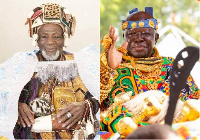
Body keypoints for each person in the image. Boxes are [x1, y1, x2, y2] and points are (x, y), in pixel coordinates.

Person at [0, 3, 99, 139]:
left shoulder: (83, 62)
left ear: (65, 38)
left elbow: (103, 96)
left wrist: (87, 106)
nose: (50, 42)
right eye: (44, 36)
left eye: (56, 36)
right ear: (36, 39)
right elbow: (3, 97)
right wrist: (15, 104)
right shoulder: (21, 63)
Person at [100, 7, 199, 138]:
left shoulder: (173, 67)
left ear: (156, 38)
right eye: (132, 34)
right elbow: (100, 109)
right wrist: (108, 67)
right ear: (124, 38)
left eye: (146, 34)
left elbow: (194, 105)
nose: (138, 38)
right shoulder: (115, 70)